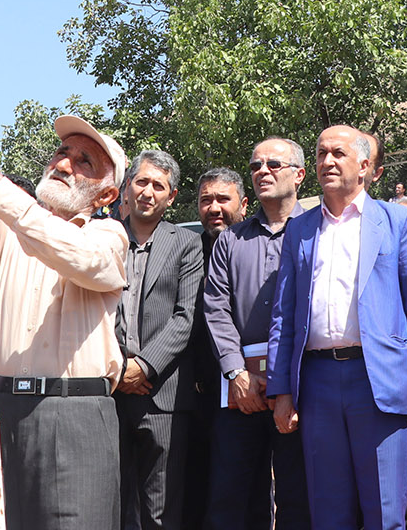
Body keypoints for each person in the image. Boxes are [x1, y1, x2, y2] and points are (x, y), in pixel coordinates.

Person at [0, 115, 129, 530]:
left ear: (107, 194)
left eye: (84, 161)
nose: (64, 164)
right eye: (62, 152)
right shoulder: (5, 228)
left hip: (74, 415)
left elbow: (82, 259)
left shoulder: (109, 236)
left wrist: (1, 191)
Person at [269, 125, 407, 530]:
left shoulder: (398, 222)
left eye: (338, 153)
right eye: (321, 153)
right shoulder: (300, 229)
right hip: (317, 382)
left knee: (385, 511)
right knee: (328, 511)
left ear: (364, 166)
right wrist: (281, 390)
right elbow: (284, 314)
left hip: (379, 380)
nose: (327, 161)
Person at [202, 139, 311, 530]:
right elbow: (216, 308)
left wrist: (288, 382)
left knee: (299, 496)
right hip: (241, 391)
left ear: (299, 175)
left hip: (302, 387)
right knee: (233, 496)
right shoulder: (230, 240)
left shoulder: (318, 232)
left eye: (273, 164)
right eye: (255, 166)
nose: (262, 171)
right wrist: (236, 372)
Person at [115, 150, 204, 530]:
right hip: (107, 391)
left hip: (162, 395)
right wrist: (119, 369)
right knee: (113, 504)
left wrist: (143, 366)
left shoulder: (186, 243)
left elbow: (187, 317)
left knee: (160, 510)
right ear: (127, 187)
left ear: (172, 196)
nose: (148, 192)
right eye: (141, 182)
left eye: (158, 185)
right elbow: (88, 314)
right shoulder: (103, 237)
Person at [183, 167, 247, 530]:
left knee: (240, 494)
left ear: (243, 204)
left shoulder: (254, 247)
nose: (214, 208)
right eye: (206, 200)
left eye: (223, 199)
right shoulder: (186, 250)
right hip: (193, 396)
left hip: (243, 393)